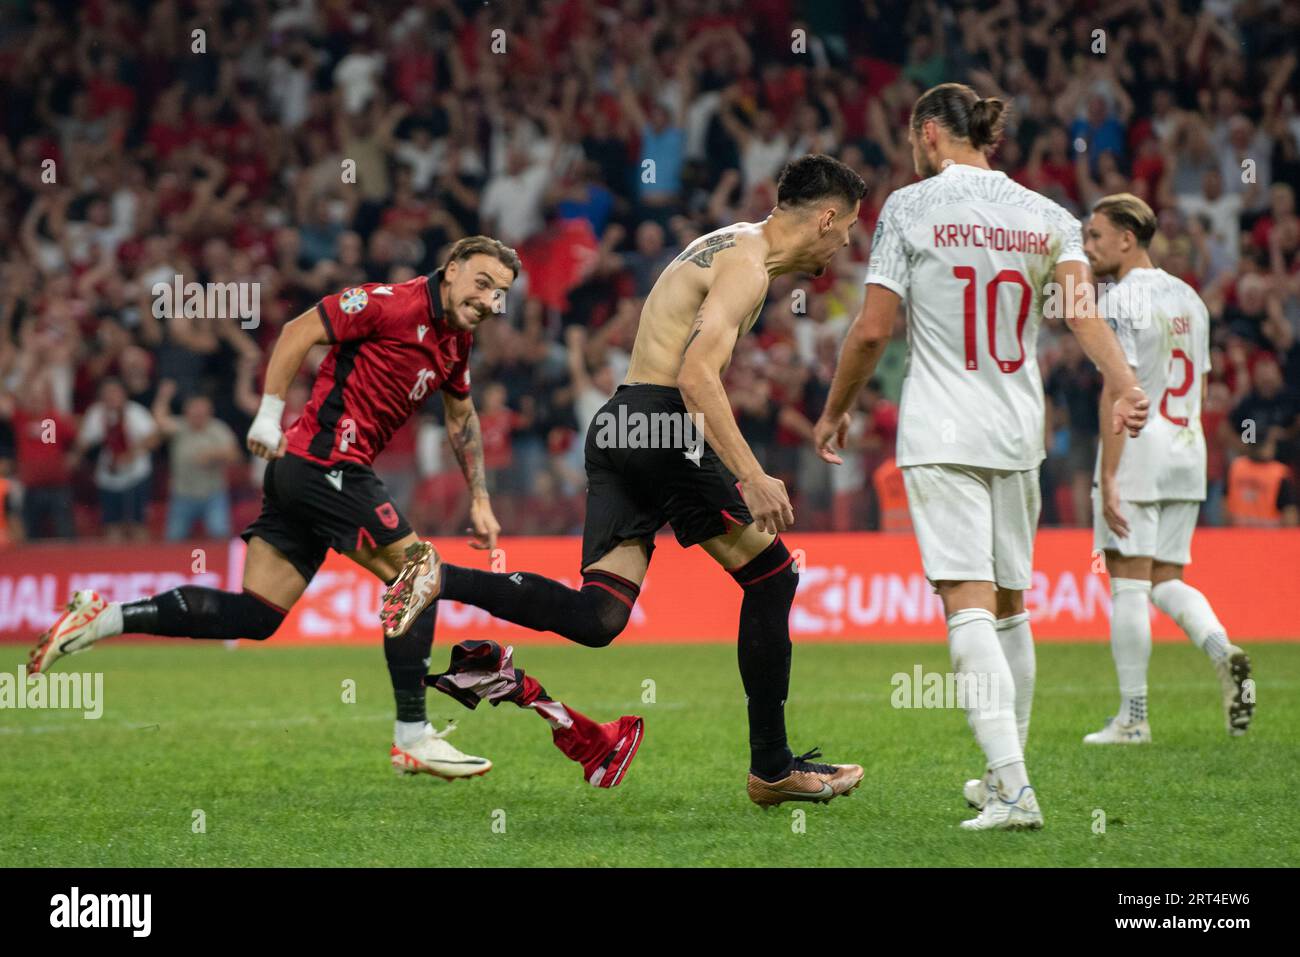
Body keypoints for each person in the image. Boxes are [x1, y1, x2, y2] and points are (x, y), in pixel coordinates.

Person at [30, 237, 638, 788]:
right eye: (480, 283)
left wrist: (479, 496)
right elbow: (299, 329)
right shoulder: (389, 303)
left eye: (500, 294)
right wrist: (267, 415)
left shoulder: (456, 340)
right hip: (325, 463)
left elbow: (461, 416)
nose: (488, 300)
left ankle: (104, 620)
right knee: (417, 572)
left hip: (309, 476)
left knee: (259, 612)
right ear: (451, 270)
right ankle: (412, 736)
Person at [382, 154, 868, 808]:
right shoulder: (749, 268)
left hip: (618, 422)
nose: (846, 244)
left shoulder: (723, 243)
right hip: (660, 422)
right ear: (827, 217)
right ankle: (772, 768)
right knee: (773, 576)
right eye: (848, 229)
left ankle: (436, 575)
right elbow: (696, 376)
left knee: (599, 614)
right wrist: (750, 473)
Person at [813, 84, 1150, 830]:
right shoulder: (1048, 216)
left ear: (930, 133)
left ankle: (1014, 787)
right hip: (1017, 431)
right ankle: (1007, 779)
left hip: (943, 431)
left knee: (966, 605)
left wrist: (836, 410)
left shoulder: (909, 207)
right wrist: (1123, 379)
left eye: (911, 137)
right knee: (1010, 607)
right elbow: (1080, 314)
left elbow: (870, 332)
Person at [1082, 192, 1255, 744]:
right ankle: (1220, 648)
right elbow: (1199, 387)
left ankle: (1133, 717)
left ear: (1126, 239)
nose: (1088, 247)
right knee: (1166, 580)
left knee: (1129, 584)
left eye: (1096, 236)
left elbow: (1119, 388)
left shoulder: (1118, 301)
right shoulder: (1192, 300)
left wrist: (1108, 476)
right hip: (1187, 448)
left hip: (1138, 449)